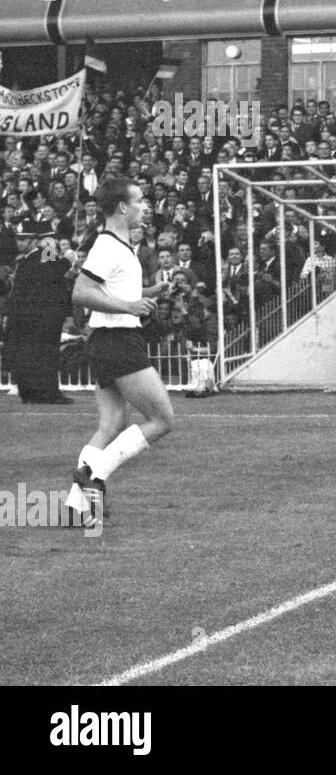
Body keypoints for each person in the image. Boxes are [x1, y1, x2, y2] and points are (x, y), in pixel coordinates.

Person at [64, 177, 177, 528]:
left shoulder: (119, 246)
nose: (146, 206)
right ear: (123, 207)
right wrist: (129, 306)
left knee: (111, 425)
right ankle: (94, 475)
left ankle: (76, 505)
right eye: (140, 201)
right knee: (162, 420)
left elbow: (113, 288)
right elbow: (81, 292)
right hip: (118, 341)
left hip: (106, 341)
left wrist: (150, 290)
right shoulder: (108, 245)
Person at [4, 218, 73, 403]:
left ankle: (44, 393)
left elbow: (54, 273)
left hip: (42, 316)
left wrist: (67, 261)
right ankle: (33, 393)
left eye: (23, 239)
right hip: (30, 316)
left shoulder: (45, 252)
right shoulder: (27, 258)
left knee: (44, 355)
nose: (19, 243)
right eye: (18, 239)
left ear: (35, 240)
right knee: (35, 355)